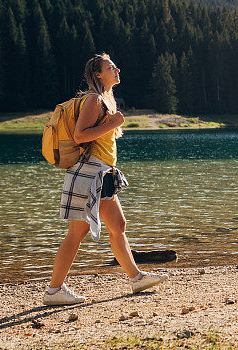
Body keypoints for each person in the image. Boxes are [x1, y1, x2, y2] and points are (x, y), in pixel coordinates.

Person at [43, 53, 168, 305]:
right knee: (77, 233)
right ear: (98, 74)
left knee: (118, 225)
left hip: (102, 173)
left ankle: (136, 278)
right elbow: (80, 136)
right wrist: (113, 123)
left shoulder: (105, 99)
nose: (117, 69)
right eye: (111, 67)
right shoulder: (93, 99)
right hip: (90, 173)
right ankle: (54, 290)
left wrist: (112, 121)